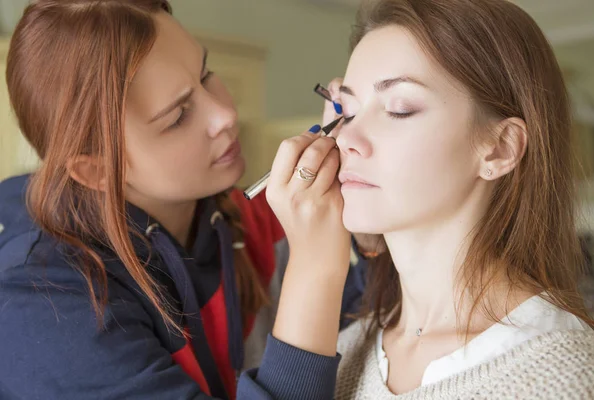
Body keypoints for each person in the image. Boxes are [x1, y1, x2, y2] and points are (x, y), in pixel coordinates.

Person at [0, 1, 369, 399]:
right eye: (177, 117)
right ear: (97, 171)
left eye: (206, 75)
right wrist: (314, 269)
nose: (226, 114)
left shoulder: (252, 216)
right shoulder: (45, 306)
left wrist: (369, 238)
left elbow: (351, 328)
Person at [237, 0, 594, 398]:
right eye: (347, 110)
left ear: (499, 148)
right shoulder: (339, 349)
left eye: (400, 109)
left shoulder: (565, 380)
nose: (345, 139)